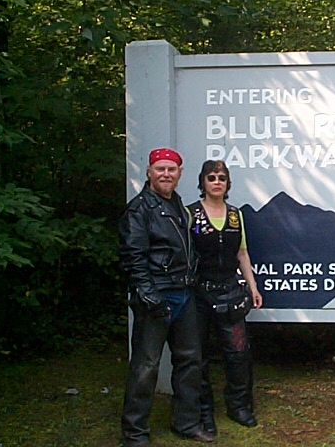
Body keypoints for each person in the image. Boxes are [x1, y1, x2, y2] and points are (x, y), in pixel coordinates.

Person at [118, 148, 214, 446]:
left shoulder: (177, 205)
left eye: (171, 170)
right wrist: (148, 295)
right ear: (149, 172)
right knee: (146, 366)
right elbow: (133, 257)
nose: (166, 174)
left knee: (190, 361)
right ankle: (134, 434)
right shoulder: (139, 209)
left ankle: (186, 423)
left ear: (180, 174)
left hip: (184, 294)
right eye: (160, 169)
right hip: (157, 296)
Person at [187, 160, 263, 436]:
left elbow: (242, 253)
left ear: (228, 183)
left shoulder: (235, 216)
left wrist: (252, 287)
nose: (217, 181)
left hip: (231, 290)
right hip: (199, 293)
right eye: (211, 177)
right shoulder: (190, 214)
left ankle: (239, 406)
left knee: (238, 354)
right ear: (203, 182)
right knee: (198, 356)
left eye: (221, 177)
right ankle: (203, 411)